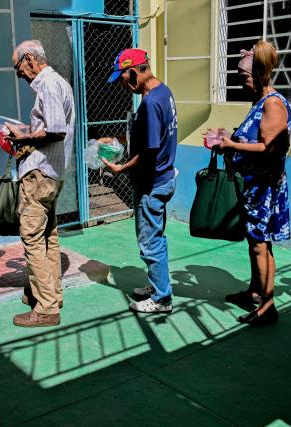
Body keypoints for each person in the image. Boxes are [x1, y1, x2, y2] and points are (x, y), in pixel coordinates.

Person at [214, 40, 291, 325]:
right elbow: (254, 139)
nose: (241, 82)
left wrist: (232, 146)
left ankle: (267, 306)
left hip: (263, 187)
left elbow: (271, 148)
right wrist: (230, 139)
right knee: (255, 243)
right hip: (253, 185)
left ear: (260, 74)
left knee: (261, 245)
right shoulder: (259, 101)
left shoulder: (273, 103)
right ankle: (254, 292)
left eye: (244, 77)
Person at [102, 48, 178, 314]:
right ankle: (158, 284)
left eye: (122, 78)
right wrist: (117, 142)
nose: (122, 85)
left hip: (151, 182)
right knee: (157, 236)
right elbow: (149, 141)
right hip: (164, 177)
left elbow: (148, 153)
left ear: (133, 72)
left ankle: (161, 299)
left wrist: (120, 168)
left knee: (150, 241)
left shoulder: (150, 103)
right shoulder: (163, 92)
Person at [6, 40, 75, 327]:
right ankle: (51, 294)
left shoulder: (48, 84)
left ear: (30, 59)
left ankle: (46, 309)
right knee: (48, 236)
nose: (19, 74)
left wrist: (22, 137)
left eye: (18, 67)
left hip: (40, 173)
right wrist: (29, 132)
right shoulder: (60, 83)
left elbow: (55, 130)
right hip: (52, 173)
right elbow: (54, 128)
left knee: (33, 238)